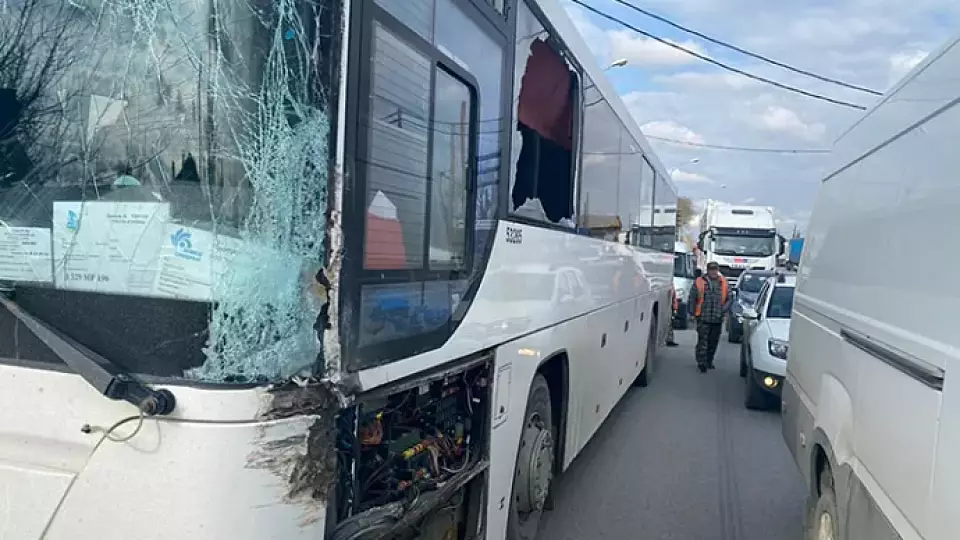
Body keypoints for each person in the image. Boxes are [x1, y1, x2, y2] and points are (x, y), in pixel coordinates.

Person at [687, 262, 732, 373]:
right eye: (711, 269)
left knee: (713, 342)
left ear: (718, 270)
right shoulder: (699, 282)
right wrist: (692, 314)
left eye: (715, 269)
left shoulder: (724, 283)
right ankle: (701, 362)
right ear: (707, 270)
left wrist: (723, 309)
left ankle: (709, 360)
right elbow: (692, 298)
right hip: (703, 317)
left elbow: (730, 298)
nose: (713, 272)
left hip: (717, 318)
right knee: (703, 341)